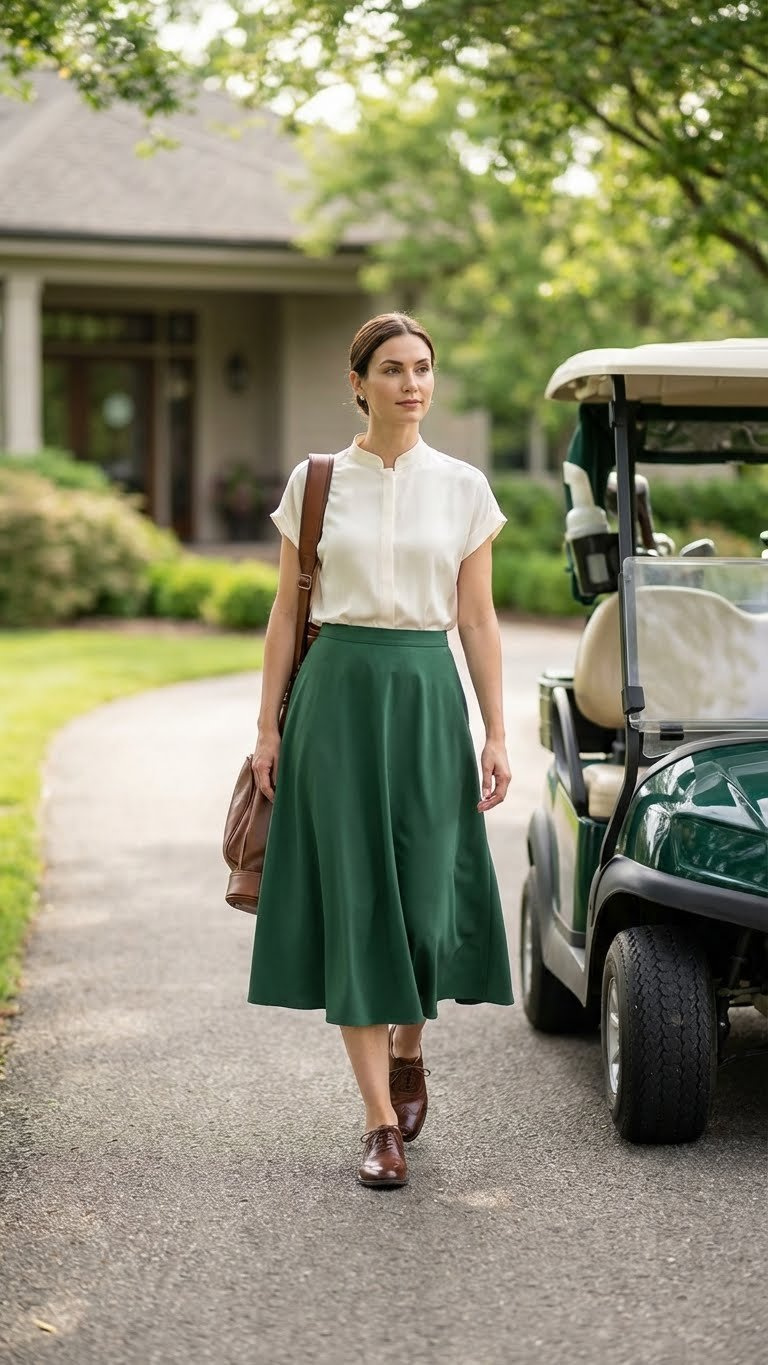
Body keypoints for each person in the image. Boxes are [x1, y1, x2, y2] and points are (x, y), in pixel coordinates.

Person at [248, 312, 513, 1189]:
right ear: (358, 382)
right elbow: (289, 610)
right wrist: (266, 726)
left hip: (429, 695)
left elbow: (476, 617)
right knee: (358, 906)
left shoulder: (465, 486)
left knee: (428, 907)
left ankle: (410, 1043)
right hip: (338, 699)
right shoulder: (317, 481)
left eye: (424, 368)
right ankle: (376, 1124)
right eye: (393, 369)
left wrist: (499, 730)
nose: (412, 384)